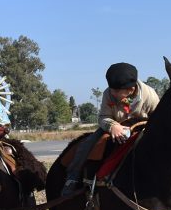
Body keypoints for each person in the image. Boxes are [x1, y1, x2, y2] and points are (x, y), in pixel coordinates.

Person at [62, 62, 160, 195]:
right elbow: (103, 116)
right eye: (111, 89)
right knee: (87, 144)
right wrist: (113, 126)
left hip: (140, 127)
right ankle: (72, 177)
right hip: (114, 125)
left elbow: (157, 118)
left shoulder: (150, 95)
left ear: (131, 90)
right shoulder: (108, 93)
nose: (112, 93)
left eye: (116, 91)